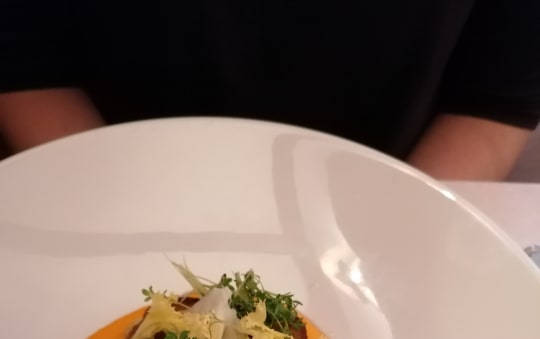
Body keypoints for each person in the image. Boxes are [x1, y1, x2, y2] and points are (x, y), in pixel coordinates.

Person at [1, 0, 539, 179]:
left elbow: (495, 100)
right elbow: (22, 66)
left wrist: (393, 225)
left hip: (383, 195)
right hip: (98, 179)